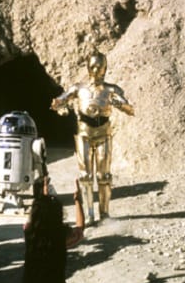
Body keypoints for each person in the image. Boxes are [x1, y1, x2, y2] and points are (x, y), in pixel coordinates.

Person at [51, 50, 134, 225]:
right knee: (85, 176)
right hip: (84, 133)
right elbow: (59, 100)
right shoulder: (78, 88)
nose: (96, 70)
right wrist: (59, 105)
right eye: (93, 66)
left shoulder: (111, 89)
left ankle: (104, 213)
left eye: (100, 67)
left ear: (105, 68)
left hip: (103, 133)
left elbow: (129, 109)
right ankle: (89, 214)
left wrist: (118, 102)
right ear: (88, 67)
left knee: (104, 176)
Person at [13, 193, 79, 283]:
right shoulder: (61, 233)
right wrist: (78, 202)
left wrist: (42, 196)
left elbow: (39, 211)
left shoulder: (29, 231)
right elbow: (80, 228)